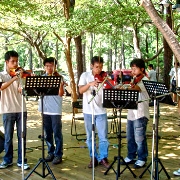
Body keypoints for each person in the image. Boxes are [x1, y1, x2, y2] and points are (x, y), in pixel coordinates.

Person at [78, 56, 110, 169]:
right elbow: (80, 90)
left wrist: (109, 83)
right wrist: (90, 84)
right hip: (88, 111)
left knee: (103, 137)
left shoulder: (104, 77)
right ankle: (93, 157)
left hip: (101, 111)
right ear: (92, 65)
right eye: (97, 67)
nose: (99, 70)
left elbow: (110, 90)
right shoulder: (85, 75)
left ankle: (103, 158)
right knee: (90, 137)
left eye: (101, 67)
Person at [0, 50, 30, 169]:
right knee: (8, 137)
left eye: (17, 61)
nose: (15, 63)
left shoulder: (20, 75)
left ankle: (21, 160)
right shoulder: (2, 75)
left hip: (21, 108)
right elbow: (2, 87)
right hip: (8, 109)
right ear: (7, 62)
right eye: (13, 61)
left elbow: (24, 90)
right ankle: (7, 160)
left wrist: (21, 83)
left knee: (22, 136)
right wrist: (14, 78)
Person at [121, 58, 149, 168]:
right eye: (132, 68)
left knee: (140, 138)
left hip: (141, 113)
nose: (133, 71)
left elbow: (137, 89)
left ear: (142, 69)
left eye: (135, 69)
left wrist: (128, 86)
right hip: (131, 112)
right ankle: (131, 155)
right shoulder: (134, 79)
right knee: (130, 136)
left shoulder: (145, 80)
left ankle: (142, 158)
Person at [38, 57, 64, 165]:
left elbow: (61, 94)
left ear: (55, 66)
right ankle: (50, 152)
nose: (49, 68)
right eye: (47, 66)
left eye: (51, 66)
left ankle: (58, 154)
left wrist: (61, 85)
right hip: (44, 109)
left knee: (57, 132)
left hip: (55, 109)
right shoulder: (41, 78)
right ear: (44, 67)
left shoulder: (59, 78)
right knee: (47, 133)